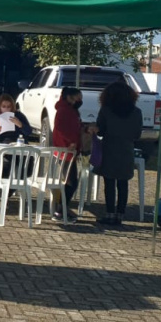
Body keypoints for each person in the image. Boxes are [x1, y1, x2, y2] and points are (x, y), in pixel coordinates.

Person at [95, 81, 143, 225]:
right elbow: (137, 134)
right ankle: (120, 214)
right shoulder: (137, 112)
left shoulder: (105, 110)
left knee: (109, 183)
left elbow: (101, 130)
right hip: (127, 149)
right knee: (123, 183)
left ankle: (109, 213)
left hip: (109, 147)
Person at [51, 86, 91, 222]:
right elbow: (61, 129)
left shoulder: (72, 111)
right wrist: (71, 141)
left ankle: (62, 207)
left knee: (70, 180)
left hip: (70, 151)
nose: (80, 100)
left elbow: (74, 127)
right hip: (65, 151)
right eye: (78, 97)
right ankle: (60, 209)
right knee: (70, 181)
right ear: (69, 97)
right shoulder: (64, 111)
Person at [0, 94, 33, 179]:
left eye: (9, 107)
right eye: (4, 106)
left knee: (28, 161)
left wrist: (20, 124)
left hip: (16, 147)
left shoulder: (19, 116)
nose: (6, 109)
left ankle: (14, 187)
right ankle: (4, 189)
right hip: (0, 147)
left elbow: (29, 131)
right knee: (5, 164)